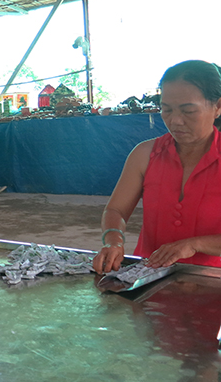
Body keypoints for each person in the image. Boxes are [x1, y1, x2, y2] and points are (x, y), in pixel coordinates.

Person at [93, 60, 221, 274]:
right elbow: (116, 210)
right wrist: (114, 240)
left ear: (217, 107)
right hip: (148, 276)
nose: (175, 120)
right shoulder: (145, 154)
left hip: (211, 281)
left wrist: (195, 245)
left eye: (188, 111)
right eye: (166, 109)